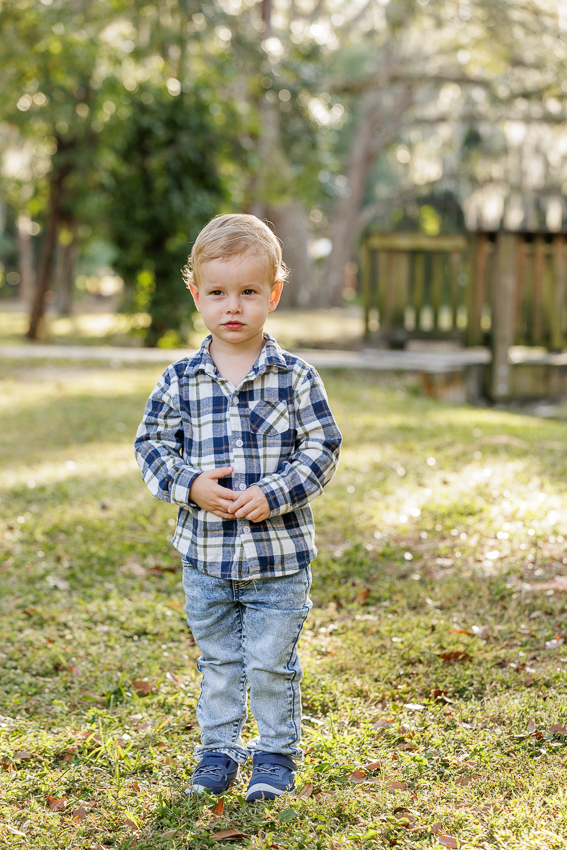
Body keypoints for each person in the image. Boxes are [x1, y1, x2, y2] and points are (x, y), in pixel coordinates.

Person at [134, 214, 342, 801]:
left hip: (279, 557)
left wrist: (275, 493)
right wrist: (190, 485)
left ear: (273, 294)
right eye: (218, 293)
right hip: (205, 557)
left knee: (272, 661)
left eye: (249, 291)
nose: (233, 306)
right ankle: (218, 750)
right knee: (220, 660)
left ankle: (275, 754)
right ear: (196, 294)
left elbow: (323, 447)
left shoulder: (296, 378)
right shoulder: (179, 380)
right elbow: (151, 446)